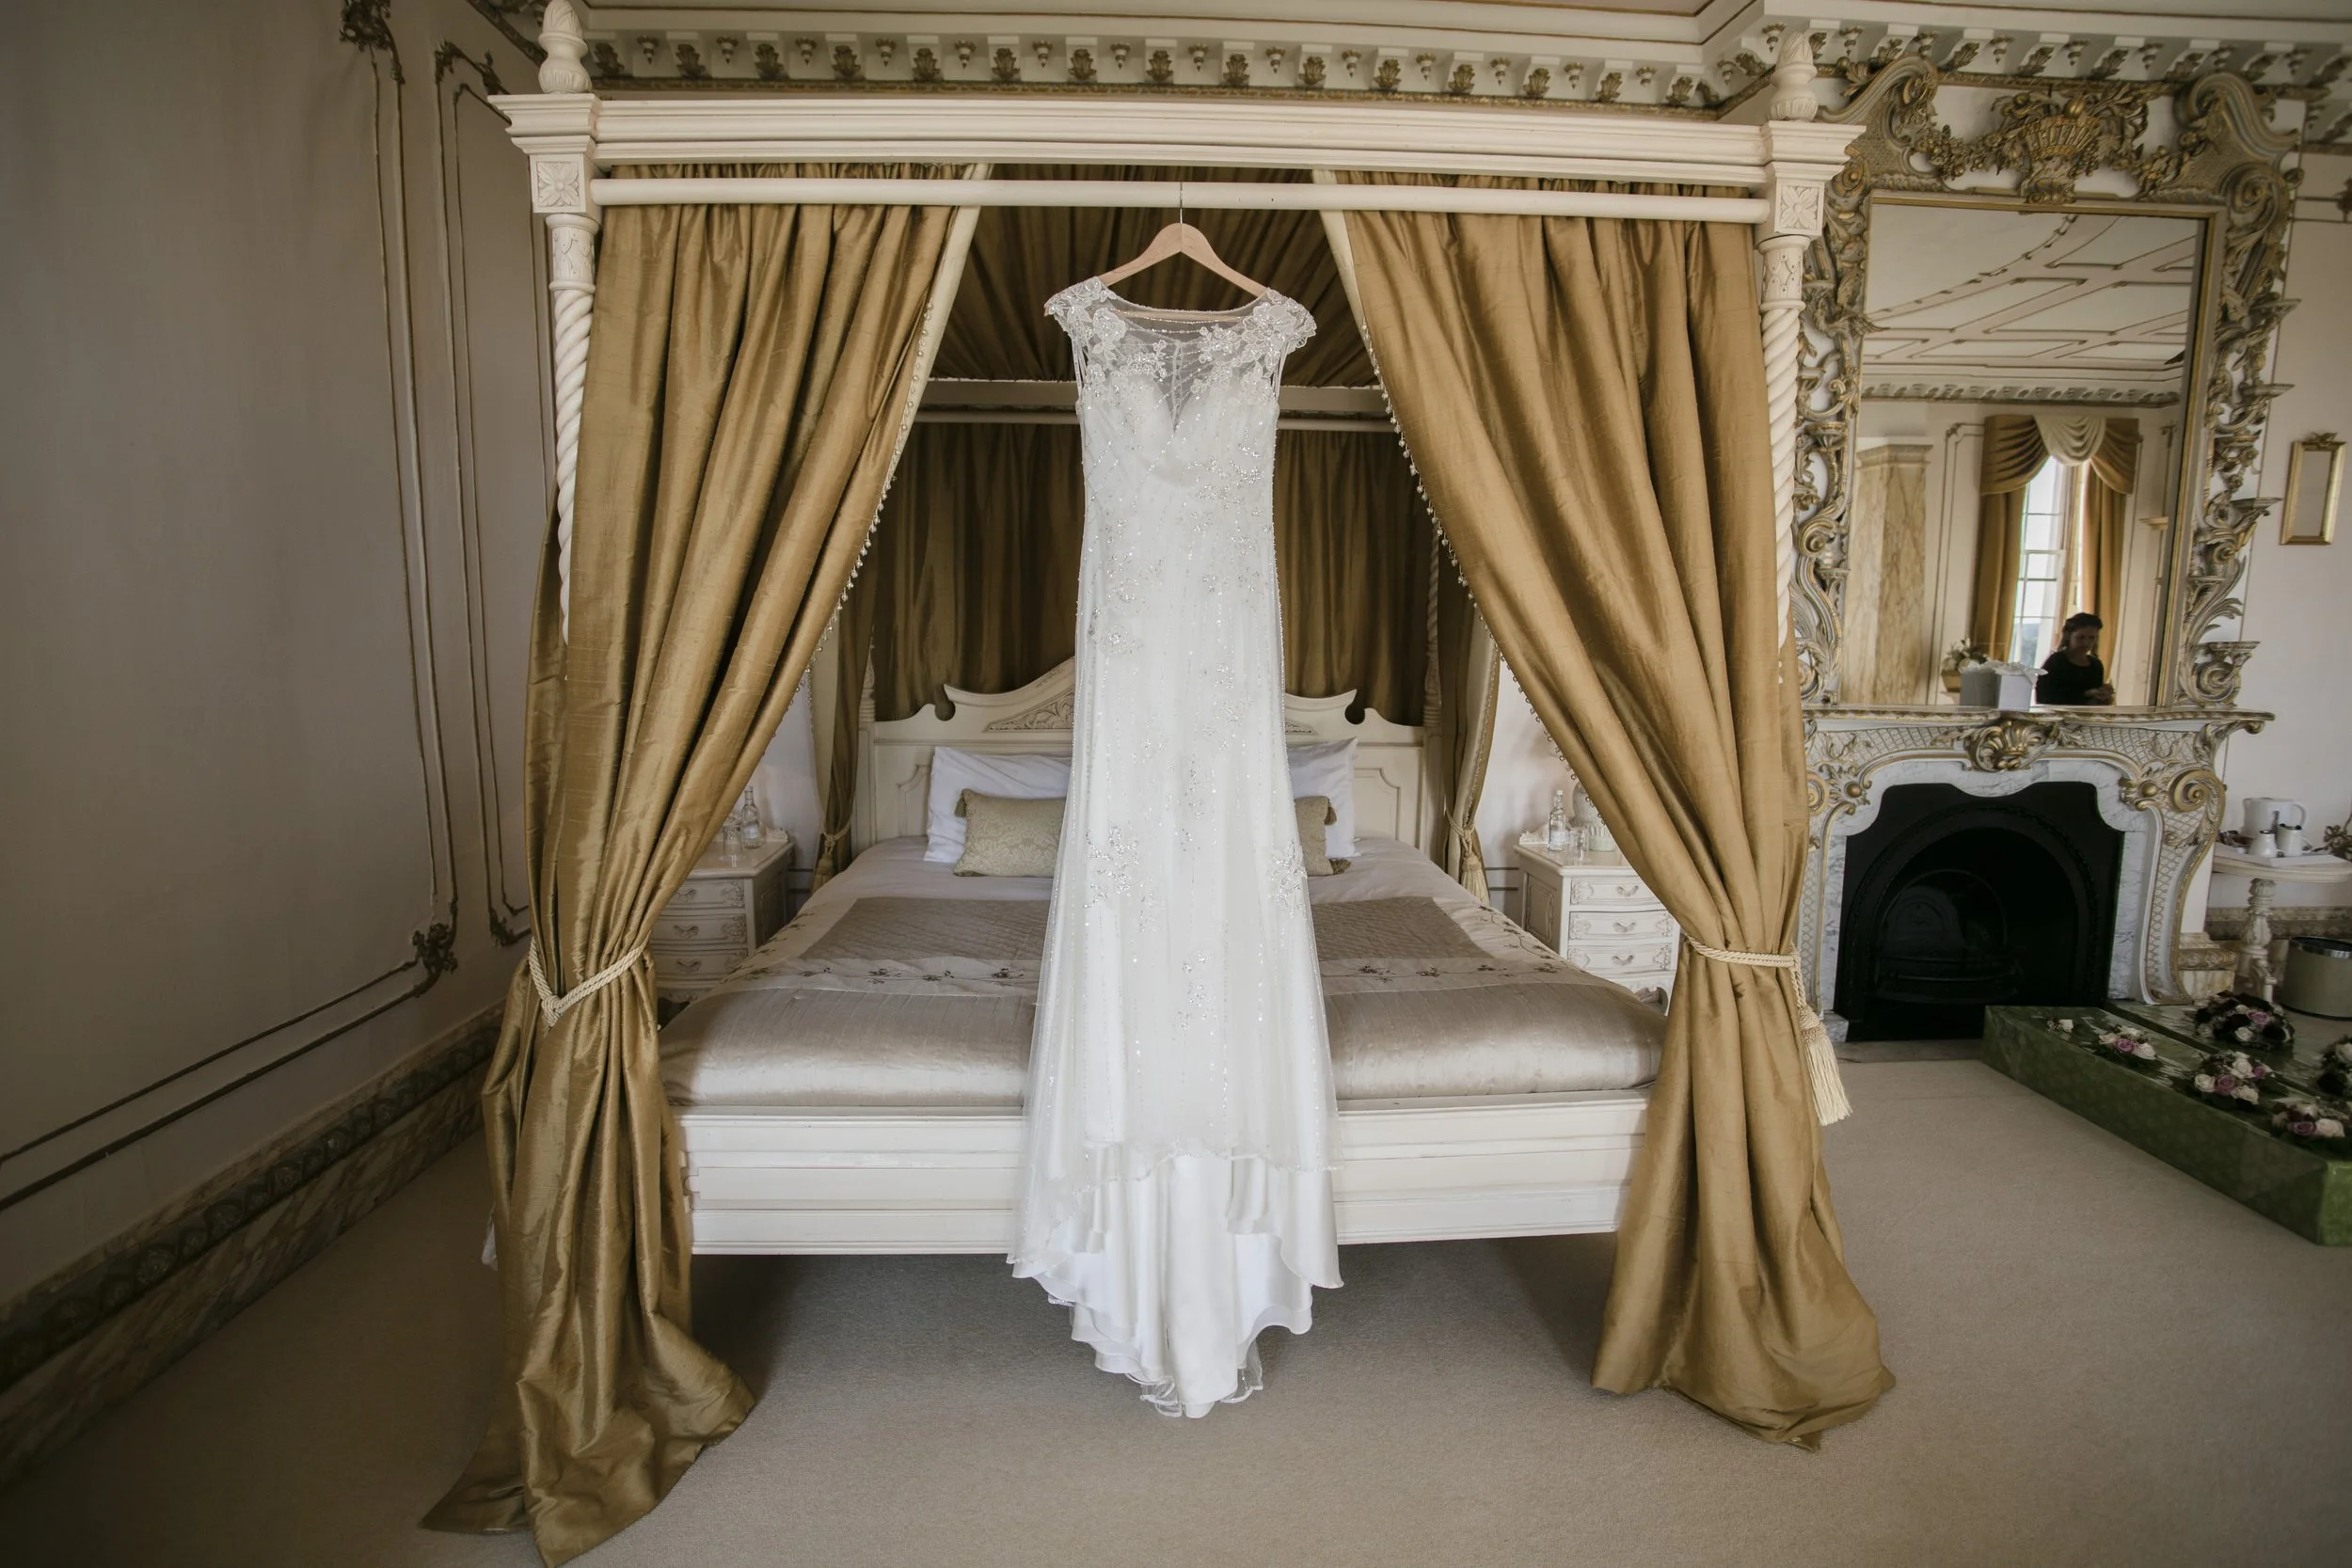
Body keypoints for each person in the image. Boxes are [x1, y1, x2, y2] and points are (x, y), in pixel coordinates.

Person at [2037, 611, 2115, 705]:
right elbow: (2044, 696)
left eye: (2092, 638)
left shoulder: (2096, 665)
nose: (2086, 643)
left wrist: (2103, 694)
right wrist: (2085, 694)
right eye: (2080, 638)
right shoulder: (2056, 661)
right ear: (2068, 636)